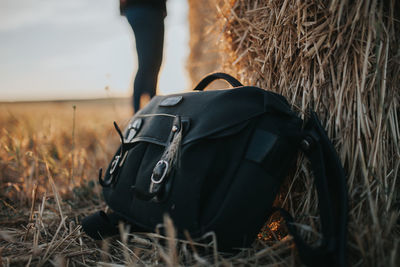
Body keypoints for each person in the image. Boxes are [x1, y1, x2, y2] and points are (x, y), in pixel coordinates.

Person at [120, 0, 167, 112]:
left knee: (155, 62)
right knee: (147, 62)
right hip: (141, 7)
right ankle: (138, 114)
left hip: (155, 9)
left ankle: (152, 109)